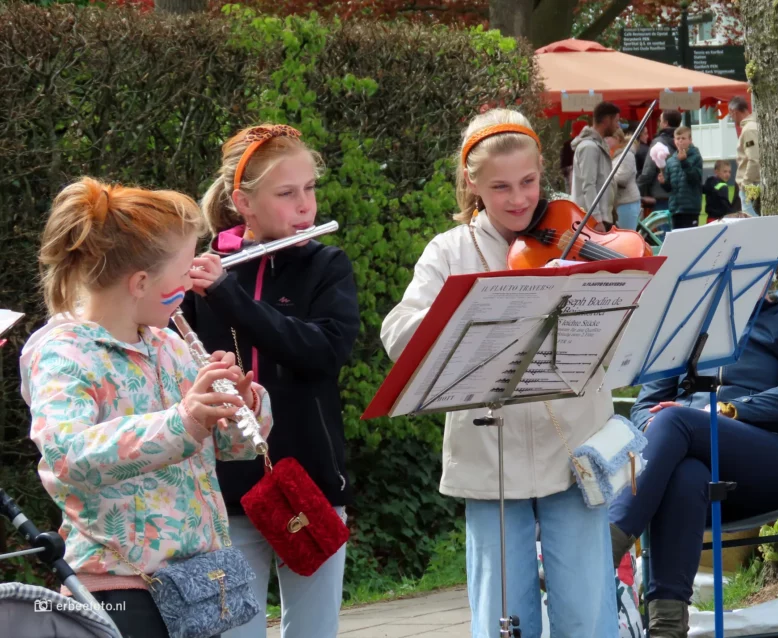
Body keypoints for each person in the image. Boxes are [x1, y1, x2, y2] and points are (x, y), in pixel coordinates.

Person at [381, 108, 619, 638]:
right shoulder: (450, 250)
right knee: (500, 615)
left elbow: (622, 334)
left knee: (588, 612)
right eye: (501, 187)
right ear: (472, 184)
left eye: (529, 182)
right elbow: (397, 333)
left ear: (543, 170)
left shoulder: (572, 233)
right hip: (491, 455)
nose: (519, 199)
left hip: (573, 445)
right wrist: (466, 310)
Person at [21, 177, 273, 638]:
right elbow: (67, 456)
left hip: (198, 582)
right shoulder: (63, 353)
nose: (191, 282)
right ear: (140, 282)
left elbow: (233, 450)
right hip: (121, 588)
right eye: (184, 272)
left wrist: (242, 406)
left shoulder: (169, 346)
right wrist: (184, 421)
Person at [182, 123, 360, 638]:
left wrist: (230, 297)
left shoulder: (326, 265)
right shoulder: (208, 269)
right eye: (286, 194)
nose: (305, 205)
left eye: (310, 189)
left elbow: (322, 354)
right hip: (226, 489)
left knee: (314, 630)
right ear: (244, 203)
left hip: (310, 480)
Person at [608, 276, 778, 637]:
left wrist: (725, 411)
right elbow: (643, 408)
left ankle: (601, 552)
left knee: (675, 421)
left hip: (776, 460)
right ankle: (667, 628)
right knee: (686, 474)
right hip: (696, 472)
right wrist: (662, 426)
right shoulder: (684, 327)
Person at [571, 102, 621, 227]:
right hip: (593, 220)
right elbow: (588, 185)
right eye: (616, 121)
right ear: (607, 120)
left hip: (602, 217)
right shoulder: (589, 147)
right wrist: (596, 219)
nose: (617, 126)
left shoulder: (598, 145)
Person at [658, 126, 704, 229]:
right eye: (678, 138)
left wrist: (684, 162)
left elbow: (695, 179)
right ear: (674, 141)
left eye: (683, 138)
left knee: (690, 236)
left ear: (690, 140)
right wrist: (663, 182)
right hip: (676, 208)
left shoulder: (696, 157)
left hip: (690, 208)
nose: (680, 141)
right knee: (676, 235)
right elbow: (670, 188)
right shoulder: (671, 160)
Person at [637, 110, 682, 212]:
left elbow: (648, 170)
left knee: (664, 222)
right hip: (682, 195)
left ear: (665, 123)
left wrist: (637, 189)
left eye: (660, 121)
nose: (659, 124)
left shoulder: (659, 142)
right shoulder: (684, 142)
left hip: (662, 195)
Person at [729, 96, 760, 216]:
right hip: (754, 181)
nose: (731, 118)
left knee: (750, 219)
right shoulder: (754, 125)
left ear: (734, 112)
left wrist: (745, 183)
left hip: (751, 183)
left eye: (730, 115)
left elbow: (754, 159)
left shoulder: (748, 130)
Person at [610, 129, 641, 230]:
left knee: (626, 236)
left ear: (617, 139)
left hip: (626, 203)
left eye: (608, 138)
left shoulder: (627, 154)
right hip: (619, 203)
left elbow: (622, 178)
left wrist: (604, 178)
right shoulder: (616, 155)